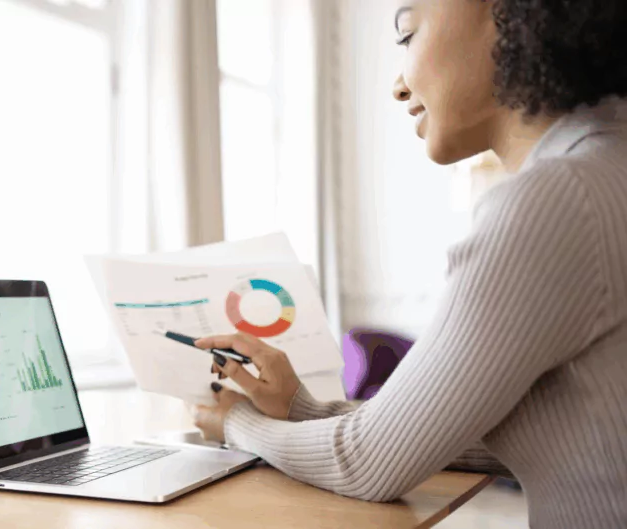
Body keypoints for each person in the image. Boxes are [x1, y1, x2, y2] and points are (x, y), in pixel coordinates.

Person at [191, 1, 627, 528]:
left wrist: (232, 421)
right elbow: (549, 438)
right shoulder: (607, 170)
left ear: (508, 12)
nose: (398, 86)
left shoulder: (555, 201)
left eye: (407, 34)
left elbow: (367, 463)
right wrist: (302, 411)